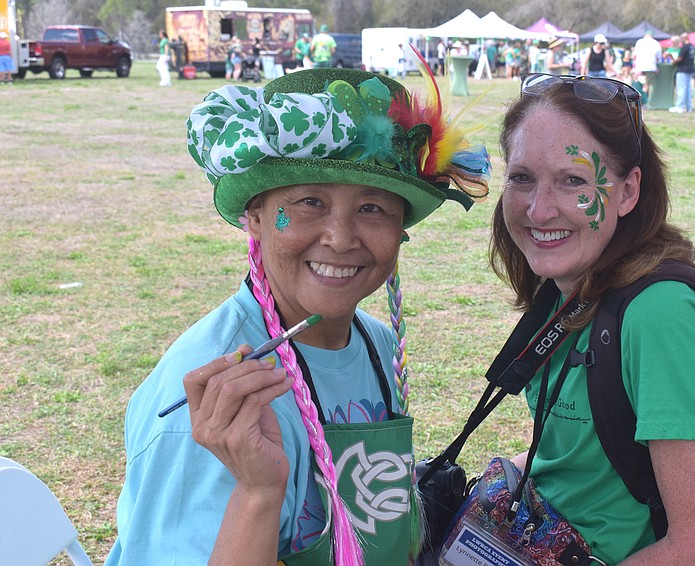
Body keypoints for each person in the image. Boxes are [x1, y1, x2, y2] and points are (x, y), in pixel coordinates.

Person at [104, 67, 490, 565]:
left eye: (372, 208)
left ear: (401, 230)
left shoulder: (374, 341)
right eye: (309, 202)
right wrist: (258, 493)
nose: (341, 237)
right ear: (256, 215)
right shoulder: (209, 410)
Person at [488, 72, 695, 565]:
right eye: (522, 178)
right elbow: (579, 460)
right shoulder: (568, 291)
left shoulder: (660, 318)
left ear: (627, 192)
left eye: (573, 180)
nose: (538, 210)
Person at [669, 33, 695, 113]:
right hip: (690, 69)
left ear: (683, 39)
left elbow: (680, 58)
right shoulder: (692, 47)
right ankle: (688, 107)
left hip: (682, 69)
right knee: (687, 89)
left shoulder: (685, 47)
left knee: (681, 89)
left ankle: (679, 106)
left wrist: (673, 60)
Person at [632, 30, 662, 98]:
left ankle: (639, 100)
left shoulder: (639, 42)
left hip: (639, 67)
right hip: (650, 67)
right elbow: (658, 58)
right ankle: (649, 101)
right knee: (650, 85)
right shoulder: (656, 43)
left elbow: (635, 56)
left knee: (640, 84)